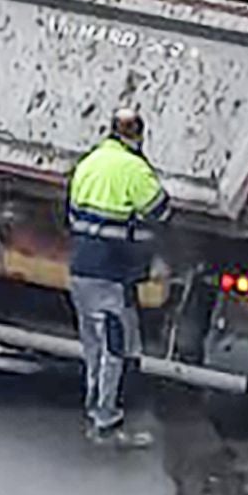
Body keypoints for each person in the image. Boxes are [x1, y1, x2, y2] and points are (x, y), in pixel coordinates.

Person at [66, 106, 170, 447]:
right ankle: (104, 422)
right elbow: (160, 210)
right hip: (111, 273)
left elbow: (72, 215)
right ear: (138, 135)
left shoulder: (88, 163)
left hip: (81, 269)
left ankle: (95, 414)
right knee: (114, 347)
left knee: (93, 346)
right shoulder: (134, 169)